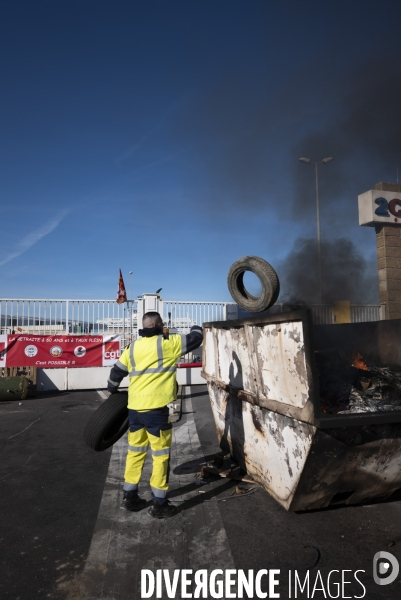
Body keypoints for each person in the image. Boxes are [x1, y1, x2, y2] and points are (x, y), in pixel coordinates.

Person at [107, 311, 203, 518]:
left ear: (144, 326)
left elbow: (116, 372)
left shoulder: (132, 347)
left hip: (134, 410)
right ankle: (159, 504)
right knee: (160, 455)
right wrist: (196, 326)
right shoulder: (168, 343)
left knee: (135, 452)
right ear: (159, 324)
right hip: (156, 410)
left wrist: (112, 389)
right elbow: (196, 338)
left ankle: (130, 497)